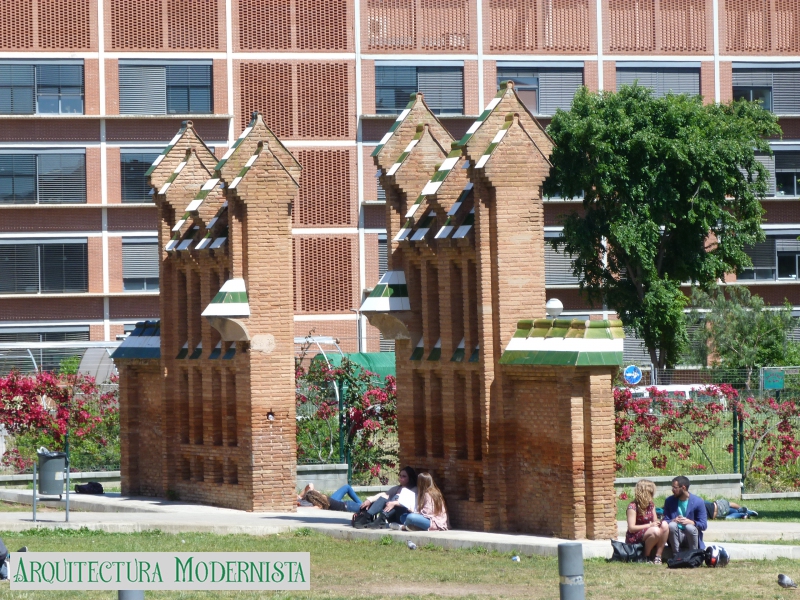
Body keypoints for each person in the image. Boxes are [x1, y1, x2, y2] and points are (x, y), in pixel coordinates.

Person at [625, 479, 669, 564]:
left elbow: (655, 521)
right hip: (634, 536)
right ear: (644, 493)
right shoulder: (632, 506)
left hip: (649, 532)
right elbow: (631, 528)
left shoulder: (651, 505)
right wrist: (650, 526)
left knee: (665, 525)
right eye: (651, 493)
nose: (652, 496)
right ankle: (645, 556)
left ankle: (658, 556)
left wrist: (658, 523)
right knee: (655, 531)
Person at [662, 475, 707, 553]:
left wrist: (692, 522)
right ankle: (676, 554)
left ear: (683, 488)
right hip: (676, 534)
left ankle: (693, 554)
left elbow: (704, 525)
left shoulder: (698, 502)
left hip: (691, 535)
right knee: (672, 525)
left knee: (690, 527)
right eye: (672, 487)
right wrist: (673, 520)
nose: (672, 490)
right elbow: (665, 520)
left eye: (675, 488)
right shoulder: (669, 501)